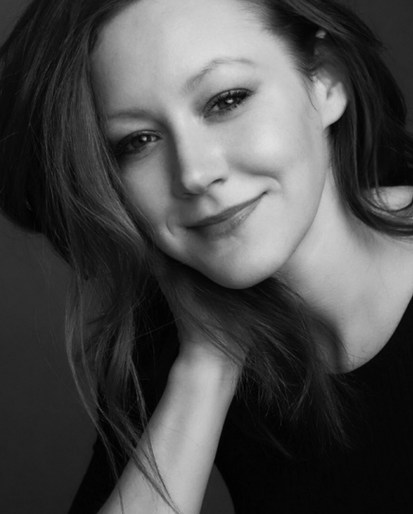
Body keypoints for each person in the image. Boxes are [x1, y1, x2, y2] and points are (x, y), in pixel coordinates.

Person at [1, 0, 413, 512]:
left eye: (226, 100)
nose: (194, 173)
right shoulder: (171, 339)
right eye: (138, 141)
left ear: (326, 82)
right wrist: (204, 368)